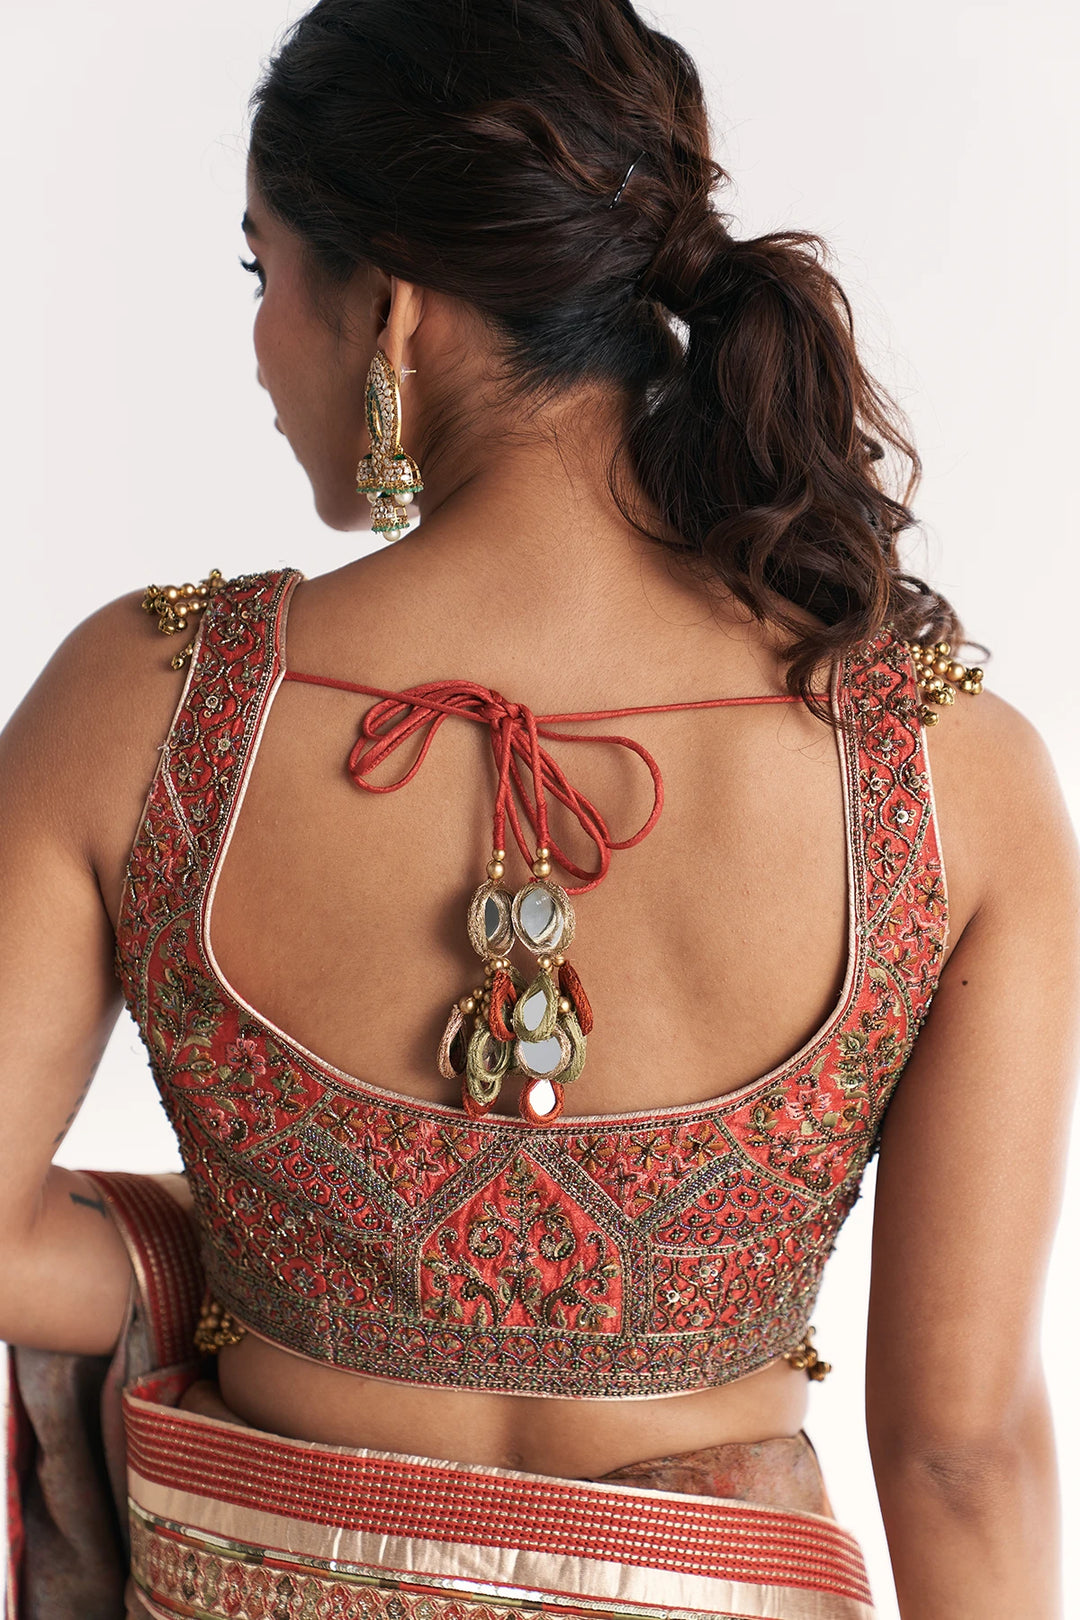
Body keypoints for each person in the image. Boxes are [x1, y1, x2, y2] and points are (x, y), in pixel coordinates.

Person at [1, 1, 1077, 1616]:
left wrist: (288, 1240)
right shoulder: (943, 768)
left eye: (260, 270)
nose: (258, 342)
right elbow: (958, 1455)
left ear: (392, 310)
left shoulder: (149, 703)